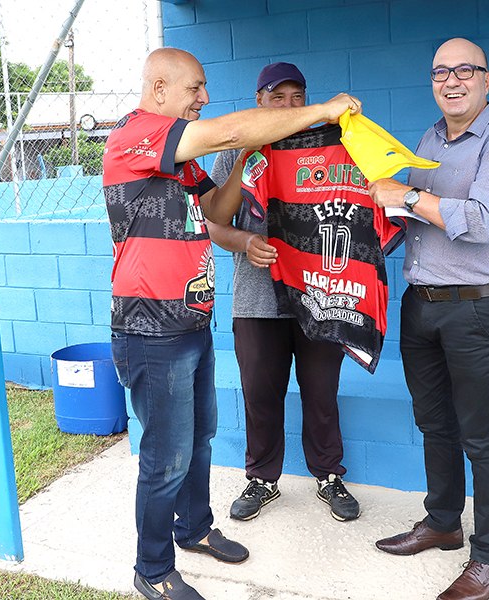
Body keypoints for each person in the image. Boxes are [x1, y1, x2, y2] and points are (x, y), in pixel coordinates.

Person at [103, 48, 361, 600]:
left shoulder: (181, 161)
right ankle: (152, 570)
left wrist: (243, 159)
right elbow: (224, 132)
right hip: (150, 328)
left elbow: (216, 212)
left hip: (190, 322)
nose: (204, 97)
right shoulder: (136, 135)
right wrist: (319, 111)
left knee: (198, 439)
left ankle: (193, 529)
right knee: (164, 457)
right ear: (160, 89)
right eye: (195, 88)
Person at [368, 38, 489, 600]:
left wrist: (408, 195)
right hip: (422, 306)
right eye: (441, 71)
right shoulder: (429, 139)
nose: (452, 80)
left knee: (481, 436)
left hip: (477, 309)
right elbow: (409, 218)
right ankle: (442, 523)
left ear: (487, 80)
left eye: (465, 70)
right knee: (434, 424)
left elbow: (484, 221)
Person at [207, 62, 360, 523]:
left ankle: (329, 475)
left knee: (321, 391)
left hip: (318, 294)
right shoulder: (236, 150)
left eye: (298, 97)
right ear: (260, 101)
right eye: (279, 98)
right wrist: (245, 241)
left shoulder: (331, 147)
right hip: (257, 299)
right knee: (260, 392)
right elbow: (215, 221)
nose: (290, 106)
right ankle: (262, 479)